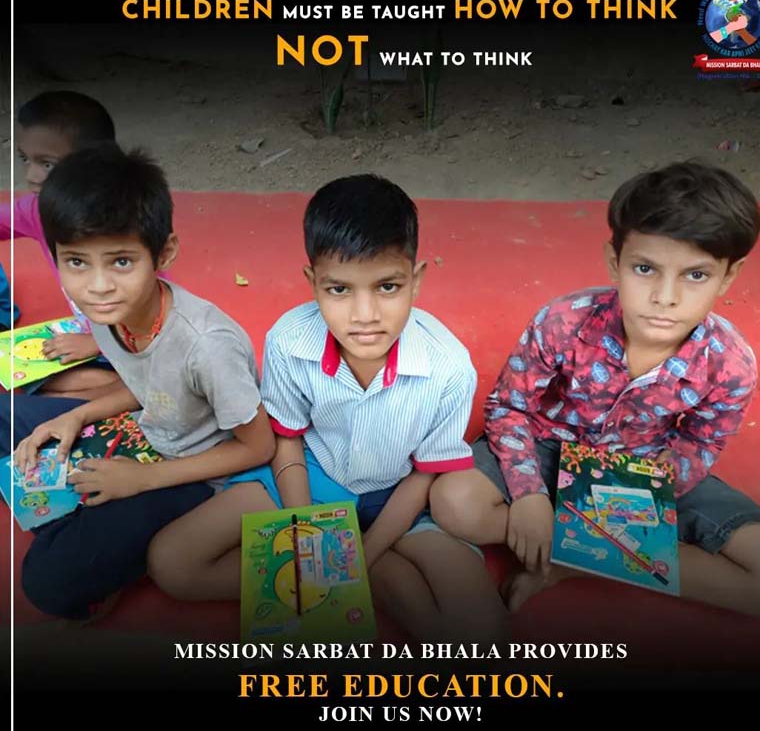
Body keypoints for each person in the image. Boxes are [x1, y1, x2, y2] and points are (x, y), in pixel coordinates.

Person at [147, 174, 509, 644]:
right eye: (339, 290)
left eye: (387, 287)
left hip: (403, 499)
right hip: (313, 477)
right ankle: (367, 574)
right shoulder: (289, 340)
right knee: (173, 563)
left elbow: (425, 474)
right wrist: (306, 531)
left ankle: (368, 567)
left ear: (416, 280)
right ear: (312, 282)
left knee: (484, 631)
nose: (365, 315)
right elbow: (287, 437)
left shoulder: (449, 367)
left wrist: (360, 557)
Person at [430, 160, 760, 616]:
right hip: (548, 447)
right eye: (645, 268)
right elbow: (509, 406)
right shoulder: (562, 320)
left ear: (730, 275)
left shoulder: (731, 362)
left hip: (645, 466)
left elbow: (701, 440)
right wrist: (528, 494)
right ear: (614, 261)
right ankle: (601, 553)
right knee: (454, 503)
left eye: (696, 275)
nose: (665, 296)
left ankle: (574, 562)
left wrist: (644, 498)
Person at [1, 144, 275, 621]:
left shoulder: (208, 346)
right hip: (144, 431)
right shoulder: (108, 311)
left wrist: (142, 479)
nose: (97, 286)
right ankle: (88, 523)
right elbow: (149, 383)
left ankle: (96, 536)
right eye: (77, 262)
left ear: (163, 252)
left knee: (45, 583)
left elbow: (258, 447)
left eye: (121, 262)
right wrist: (77, 416)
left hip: (197, 475)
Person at [1, 90, 120, 398]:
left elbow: (151, 302)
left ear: (94, 164)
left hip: (134, 340)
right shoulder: (37, 210)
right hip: (89, 331)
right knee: (18, 373)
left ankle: (122, 392)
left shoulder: (120, 222)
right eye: (24, 159)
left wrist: (98, 342)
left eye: (48, 164)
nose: (31, 175)